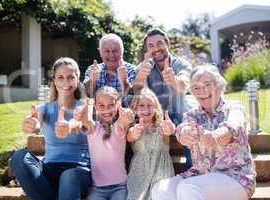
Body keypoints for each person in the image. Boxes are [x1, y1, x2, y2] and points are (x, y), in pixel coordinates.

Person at [151, 64, 256, 200]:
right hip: (200, 175)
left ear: (219, 85)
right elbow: (183, 130)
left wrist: (215, 136)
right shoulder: (191, 115)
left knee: (188, 187)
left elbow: (233, 125)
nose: (202, 91)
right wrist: (179, 132)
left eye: (207, 84)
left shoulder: (234, 107)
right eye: (196, 87)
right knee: (160, 188)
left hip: (236, 177)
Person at [10, 57, 91, 200]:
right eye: (60, 77)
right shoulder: (44, 109)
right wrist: (32, 124)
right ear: (54, 81)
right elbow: (36, 121)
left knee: (68, 176)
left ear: (77, 80)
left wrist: (70, 126)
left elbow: (80, 123)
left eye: (71, 77)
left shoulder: (85, 109)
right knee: (18, 156)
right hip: (50, 170)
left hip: (78, 171)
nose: (65, 82)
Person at [133, 28, 193, 169]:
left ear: (167, 44)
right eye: (151, 46)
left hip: (179, 114)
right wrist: (141, 77)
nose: (156, 49)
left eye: (159, 43)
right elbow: (135, 93)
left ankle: (193, 172)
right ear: (147, 50)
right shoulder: (142, 68)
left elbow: (185, 84)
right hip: (154, 117)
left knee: (189, 129)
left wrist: (174, 81)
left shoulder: (180, 64)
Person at [74, 86, 134, 200]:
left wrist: (127, 114)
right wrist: (83, 116)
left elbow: (124, 120)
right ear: (95, 107)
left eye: (111, 105)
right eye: (101, 105)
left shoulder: (119, 128)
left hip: (120, 187)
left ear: (117, 105)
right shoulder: (93, 129)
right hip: (97, 189)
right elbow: (87, 122)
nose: (106, 109)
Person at [83, 33, 136, 106]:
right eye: (107, 51)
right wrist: (93, 80)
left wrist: (124, 81)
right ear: (100, 52)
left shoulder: (132, 70)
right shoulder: (93, 69)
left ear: (122, 51)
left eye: (115, 51)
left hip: (125, 115)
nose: (111, 55)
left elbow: (133, 100)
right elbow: (88, 94)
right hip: (101, 116)